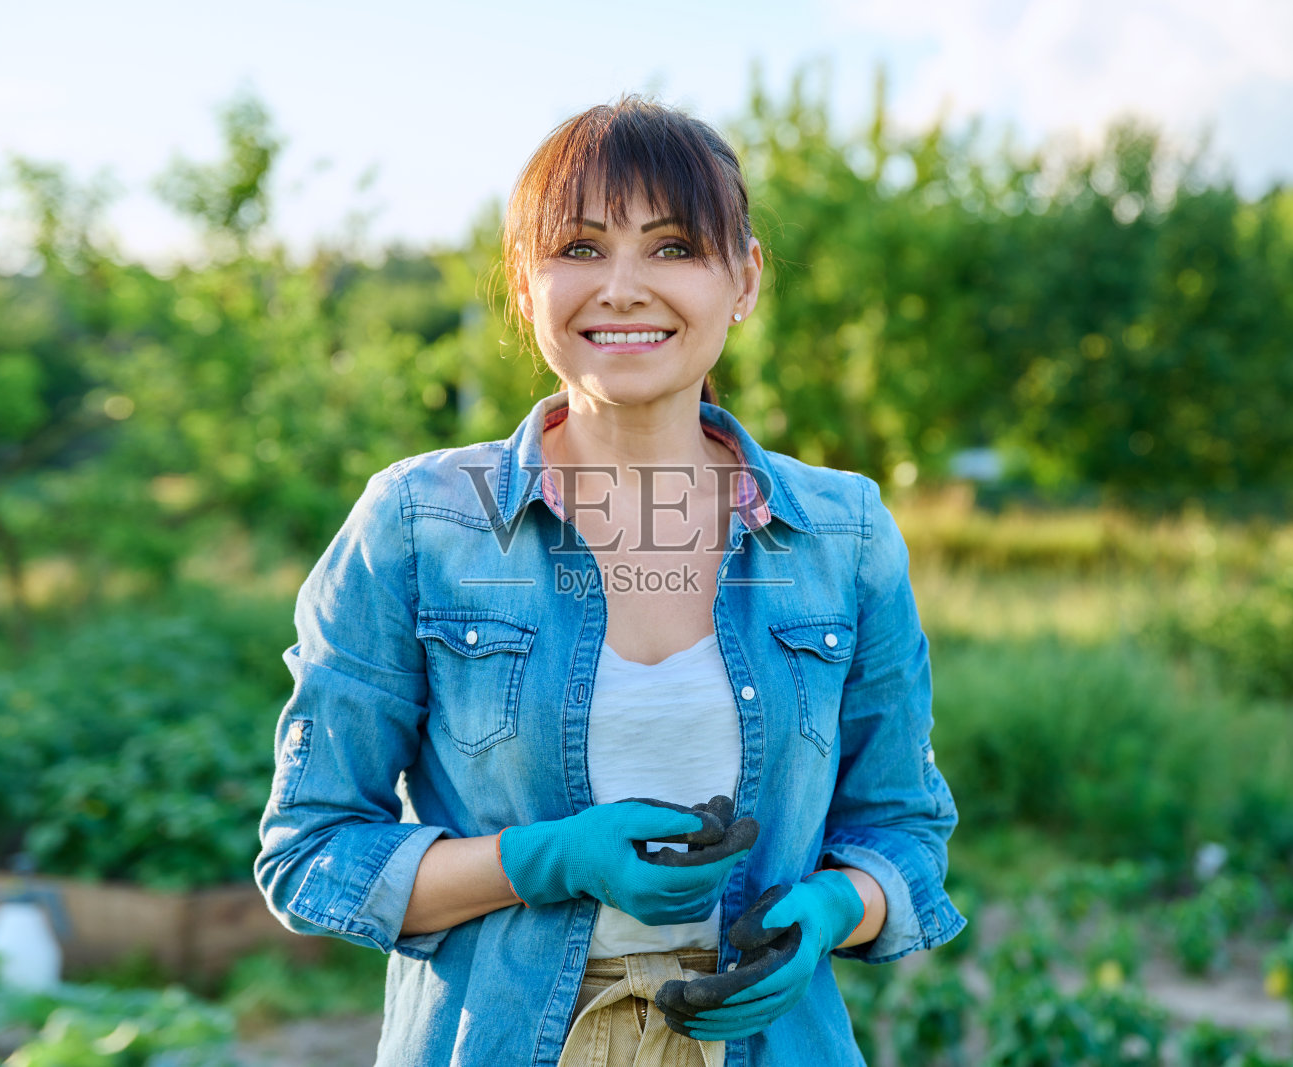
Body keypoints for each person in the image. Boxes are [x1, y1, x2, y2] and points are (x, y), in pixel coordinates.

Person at [253, 94, 965, 1067]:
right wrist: (546, 857)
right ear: (522, 283)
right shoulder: (419, 521)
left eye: (673, 247)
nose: (623, 288)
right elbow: (310, 850)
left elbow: (904, 827)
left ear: (744, 279)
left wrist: (838, 904)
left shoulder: (842, 530)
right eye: (580, 249)